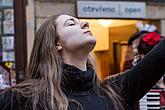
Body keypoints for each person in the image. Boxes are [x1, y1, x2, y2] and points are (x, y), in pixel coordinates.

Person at [0, 14, 165, 110]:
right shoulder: (22, 98)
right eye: (71, 23)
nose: (85, 23)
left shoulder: (114, 92)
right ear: (56, 43)